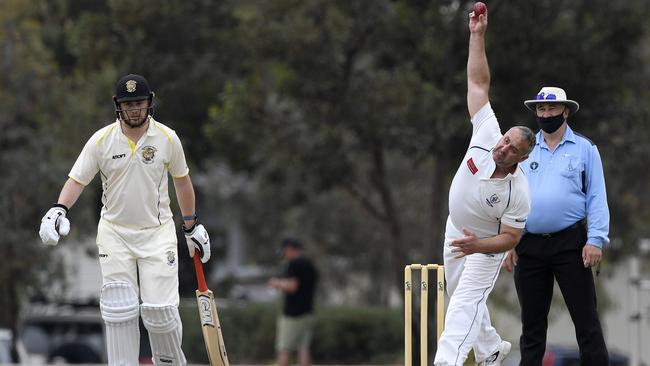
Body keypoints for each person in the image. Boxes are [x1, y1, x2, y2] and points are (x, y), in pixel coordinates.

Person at [38, 74, 211, 366]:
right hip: (115, 234)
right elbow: (77, 180)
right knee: (120, 309)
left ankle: (170, 362)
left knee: (160, 312)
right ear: (118, 106)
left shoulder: (167, 138)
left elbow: (182, 182)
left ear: (149, 103)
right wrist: (58, 209)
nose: (134, 109)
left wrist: (191, 226)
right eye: (128, 104)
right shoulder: (102, 140)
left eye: (139, 103)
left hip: (157, 234)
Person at [433, 8, 536, 366]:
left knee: (462, 303)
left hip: (487, 247)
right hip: (455, 230)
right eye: (506, 140)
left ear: (521, 160)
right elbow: (478, 84)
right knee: (459, 295)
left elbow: (511, 239)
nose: (503, 147)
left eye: (512, 150)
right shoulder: (487, 131)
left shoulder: (518, 191)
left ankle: (446, 362)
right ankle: (491, 347)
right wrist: (477, 34)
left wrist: (479, 245)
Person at [503, 85, 610, 365]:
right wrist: (509, 240)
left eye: (552, 108)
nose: (546, 113)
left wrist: (596, 239)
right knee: (532, 326)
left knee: (586, 322)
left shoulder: (585, 149)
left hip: (571, 244)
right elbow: (511, 196)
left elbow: (597, 196)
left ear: (565, 111)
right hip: (529, 245)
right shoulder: (525, 149)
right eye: (541, 108)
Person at [269, 238, 318, 366]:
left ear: (290, 249)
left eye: (285, 251)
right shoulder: (309, 264)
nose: (284, 255)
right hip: (308, 312)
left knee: (284, 348)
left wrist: (277, 283)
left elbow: (292, 286)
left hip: (293, 315)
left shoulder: (295, 264)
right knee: (303, 348)